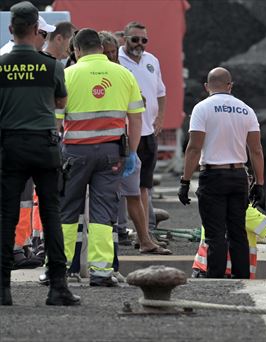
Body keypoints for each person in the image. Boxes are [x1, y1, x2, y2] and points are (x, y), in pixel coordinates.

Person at [0, 1, 80, 306]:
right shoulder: (52, 66)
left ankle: (3, 289)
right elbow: (61, 103)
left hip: (10, 147)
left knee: (6, 217)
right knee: (51, 215)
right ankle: (57, 287)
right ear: (36, 29)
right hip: (44, 147)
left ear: (11, 30)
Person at [56, 28, 144, 287]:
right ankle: (102, 271)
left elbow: (56, 120)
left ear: (77, 49)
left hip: (74, 153)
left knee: (67, 209)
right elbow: (136, 118)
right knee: (104, 211)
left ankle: (58, 269)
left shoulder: (67, 74)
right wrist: (131, 152)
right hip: (112, 154)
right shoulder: (123, 74)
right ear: (99, 47)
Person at [179, 67, 265, 279]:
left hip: (213, 176)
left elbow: (194, 147)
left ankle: (215, 280)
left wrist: (185, 180)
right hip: (238, 176)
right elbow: (256, 150)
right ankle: (242, 277)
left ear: (207, 87)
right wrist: (260, 183)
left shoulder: (202, 109)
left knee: (215, 232)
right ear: (230, 86)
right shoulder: (246, 110)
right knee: (238, 232)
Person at [100, 30, 170, 255]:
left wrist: (132, 149)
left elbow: (141, 106)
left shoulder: (128, 71)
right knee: (107, 196)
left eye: (112, 52)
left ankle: (145, 237)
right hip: (104, 143)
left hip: (129, 139)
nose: (111, 56)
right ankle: (116, 237)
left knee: (138, 190)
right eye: (107, 52)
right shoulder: (117, 70)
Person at [118, 21, 166, 247]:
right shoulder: (116, 60)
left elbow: (161, 92)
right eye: (135, 39)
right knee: (124, 186)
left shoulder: (152, 60)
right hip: (125, 133)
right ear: (124, 38)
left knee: (144, 186)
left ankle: (143, 233)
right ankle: (120, 230)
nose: (139, 44)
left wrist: (160, 117)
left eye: (144, 40)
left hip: (148, 132)